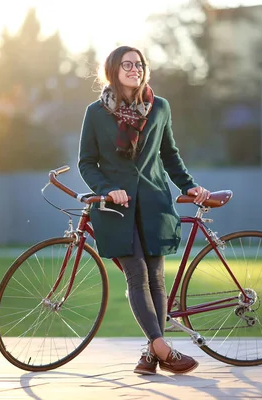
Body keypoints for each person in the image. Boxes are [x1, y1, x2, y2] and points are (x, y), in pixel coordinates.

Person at [78, 45, 211, 375]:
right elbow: (87, 163)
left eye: (139, 64)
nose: (134, 69)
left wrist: (188, 185)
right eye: (127, 64)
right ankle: (162, 347)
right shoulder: (96, 112)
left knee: (155, 278)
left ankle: (150, 357)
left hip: (154, 203)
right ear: (113, 70)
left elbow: (169, 155)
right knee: (136, 274)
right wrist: (108, 190)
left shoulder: (160, 108)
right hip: (115, 208)